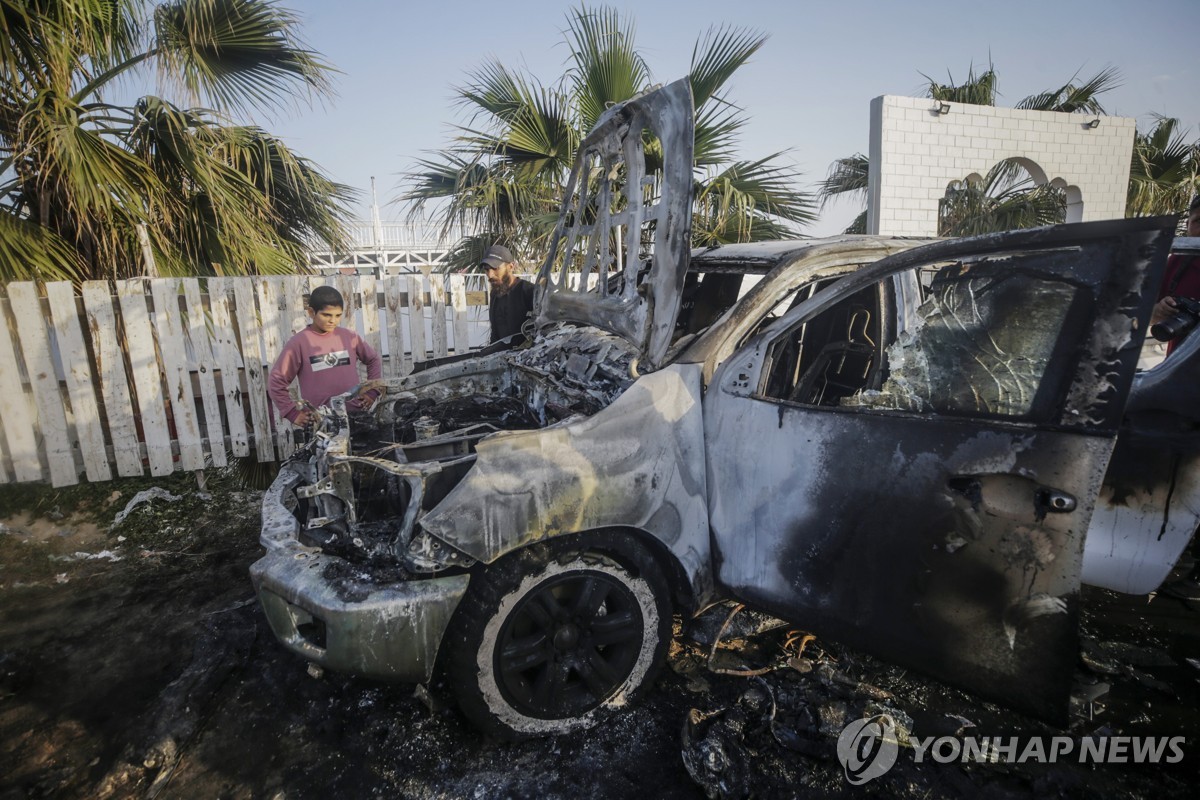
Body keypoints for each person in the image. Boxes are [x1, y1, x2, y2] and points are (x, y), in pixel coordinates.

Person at [268, 285, 382, 427]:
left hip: (356, 416)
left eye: (338, 315)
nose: (332, 320)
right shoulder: (299, 343)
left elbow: (373, 360)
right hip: (321, 423)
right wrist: (292, 413)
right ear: (311, 312)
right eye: (326, 315)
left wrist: (372, 392)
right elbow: (276, 381)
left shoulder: (349, 337)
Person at [1149, 195, 1200, 357]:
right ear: (1188, 225)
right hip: (1177, 372)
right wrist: (1159, 311)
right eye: (1199, 221)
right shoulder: (1176, 260)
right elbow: (1146, 317)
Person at [481, 244, 536, 343]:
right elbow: (495, 335)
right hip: (501, 355)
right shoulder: (495, 294)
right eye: (487, 269)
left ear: (511, 266)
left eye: (496, 268)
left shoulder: (529, 292)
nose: (490, 275)